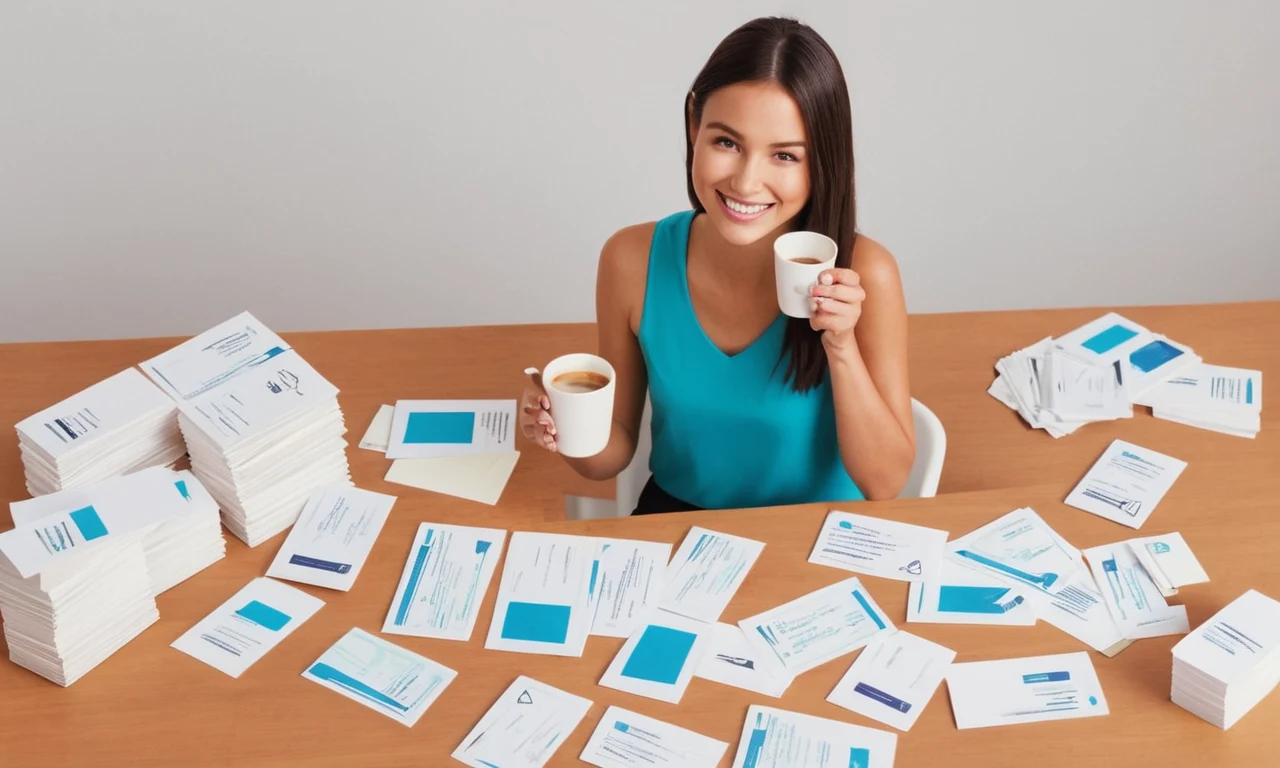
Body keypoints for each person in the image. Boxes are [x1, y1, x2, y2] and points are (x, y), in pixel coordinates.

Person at [520, 16, 915, 514]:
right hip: (678, 520)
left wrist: (839, 344)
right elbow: (613, 454)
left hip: (817, 535)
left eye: (785, 156)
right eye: (727, 143)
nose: (747, 183)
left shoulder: (867, 273)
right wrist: (567, 429)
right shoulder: (631, 259)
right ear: (694, 124)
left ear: (823, 161)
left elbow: (885, 483)